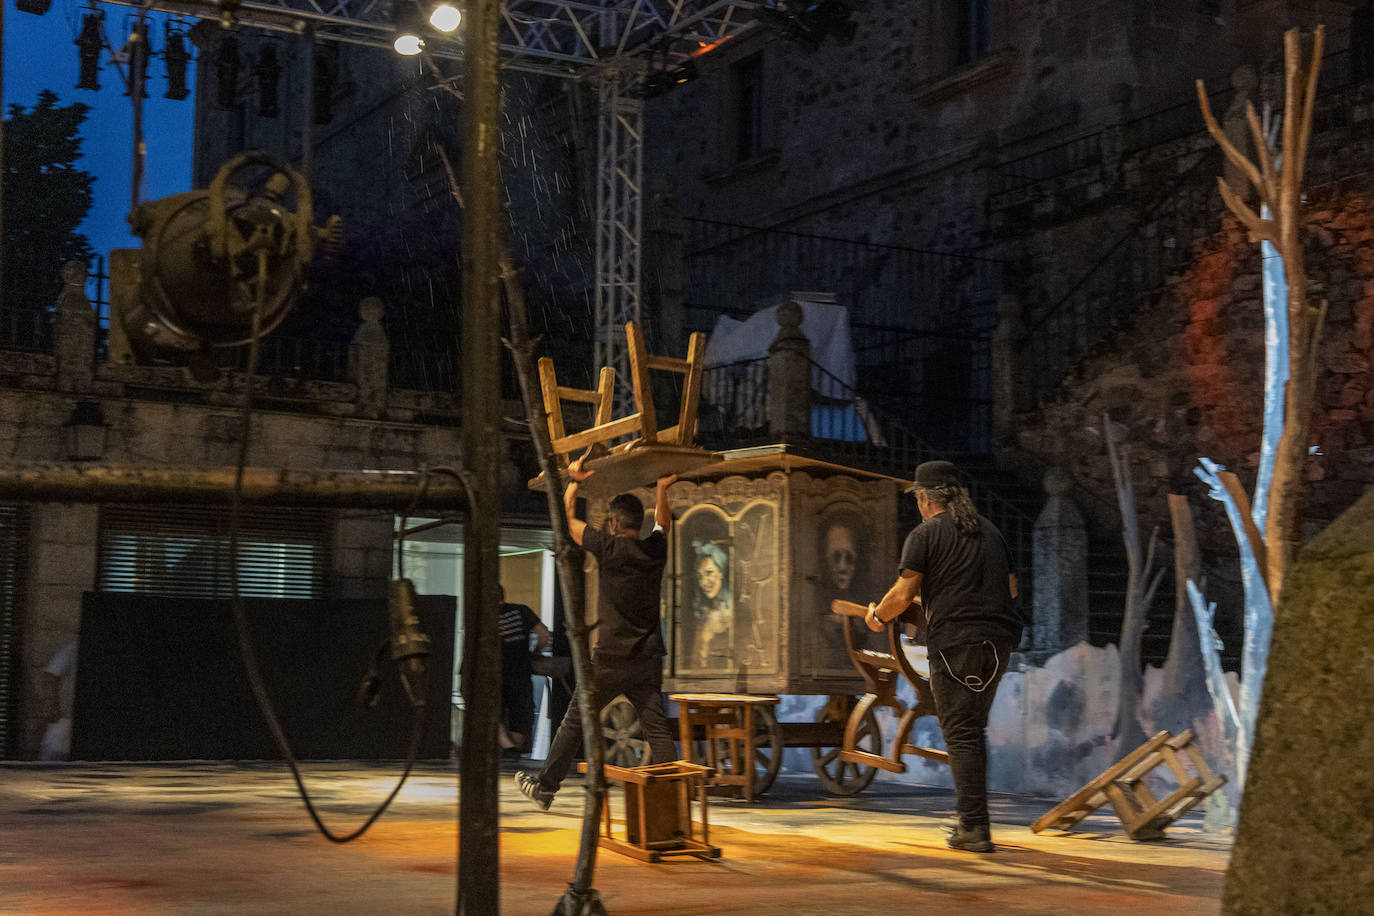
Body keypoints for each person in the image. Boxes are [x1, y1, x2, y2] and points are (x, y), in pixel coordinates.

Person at [865, 460, 1021, 853]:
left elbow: (902, 595)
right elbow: (1011, 590)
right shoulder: (991, 531)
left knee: (961, 734)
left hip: (955, 645)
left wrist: (877, 617)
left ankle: (974, 828)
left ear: (923, 498)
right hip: (998, 645)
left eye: (917, 498)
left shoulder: (924, 535)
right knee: (972, 731)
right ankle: (973, 822)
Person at [515, 455, 680, 810]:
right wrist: (663, 489)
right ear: (637, 522)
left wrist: (574, 481)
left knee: (575, 720)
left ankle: (545, 788)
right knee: (656, 728)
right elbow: (663, 524)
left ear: (615, 523)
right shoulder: (654, 549)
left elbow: (567, 521)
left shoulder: (608, 548)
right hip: (648, 657)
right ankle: (676, 800)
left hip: (610, 659)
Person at [498, 586, 551, 758]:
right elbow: (543, 634)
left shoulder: (483, 616)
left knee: (492, 711)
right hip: (520, 669)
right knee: (521, 713)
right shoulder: (521, 610)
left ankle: (508, 748)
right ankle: (514, 750)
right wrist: (536, 651)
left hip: (494, 673)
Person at [690, 541, 733, 668]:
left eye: (709, 573)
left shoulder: (733, 612)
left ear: (721, 573)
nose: (704, 582)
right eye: (700, 576)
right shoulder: (704, 614)